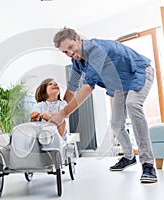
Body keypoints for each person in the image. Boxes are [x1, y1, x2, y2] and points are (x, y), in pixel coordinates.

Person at [50, 27, 157, 183]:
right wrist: (57, 109)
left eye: (71, 48)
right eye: (65, 52)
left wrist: (63, 114)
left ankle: (148, 165)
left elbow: (87, 87)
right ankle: (128, 157)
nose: (70, 54)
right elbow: (72, 88)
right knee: (116, 123)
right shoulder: (76, 61)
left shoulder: (95, 50)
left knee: (133, 104)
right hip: (121, 84)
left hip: (139, 72)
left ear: (78, 39)